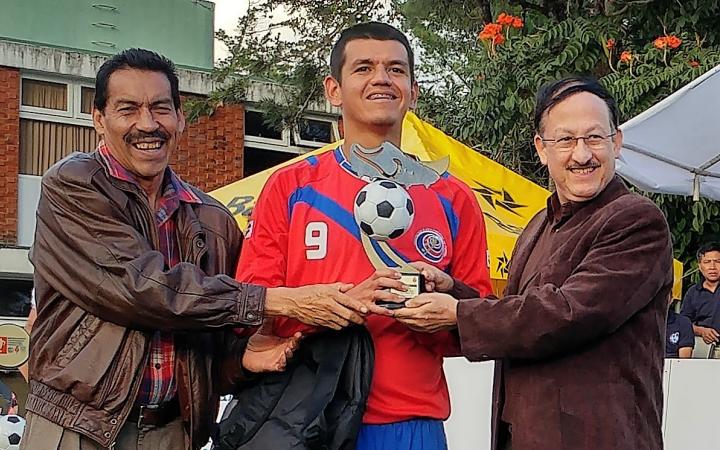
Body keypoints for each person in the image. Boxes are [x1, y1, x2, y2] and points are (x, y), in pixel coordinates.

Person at [23, 48, 371, 450]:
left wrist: (240, 358)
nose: (148, 124)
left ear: (180, 117)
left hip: (175, 433)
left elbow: (214, 332)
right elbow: (140, 288)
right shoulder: (74, 184)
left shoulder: (214, 219)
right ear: (99, 118)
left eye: (160, 108)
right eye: (128, 109)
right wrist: (280, 301)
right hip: (76, 428)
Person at [236, 22, 492, 450]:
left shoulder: (453, 197)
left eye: (396, 69)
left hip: (410, 424)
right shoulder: (291, 188)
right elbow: (252, 305)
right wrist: (340, 305)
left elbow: (478, 323)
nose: (381, 78)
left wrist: (441, 308)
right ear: (333, 90)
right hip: (306, 420)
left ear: (413, 91)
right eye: (364, 68)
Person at [398, 77, 673, 450]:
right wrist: (451, 289)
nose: (581, 154)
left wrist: (458, 313)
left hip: (600, 437)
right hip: (527, 432)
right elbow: (521, 311)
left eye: (594, 138)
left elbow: (567, 314)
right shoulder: (539, 223)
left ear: (616, 143)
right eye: (565, 140)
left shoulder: (635, 219)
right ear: (542, 149)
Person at [681, 242, 720, 356]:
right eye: (707, 262)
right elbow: (683, 324)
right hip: (703, 349)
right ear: (699, 266)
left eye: (717, 261)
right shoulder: (693, 293)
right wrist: (701, 331)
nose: (712, 267)